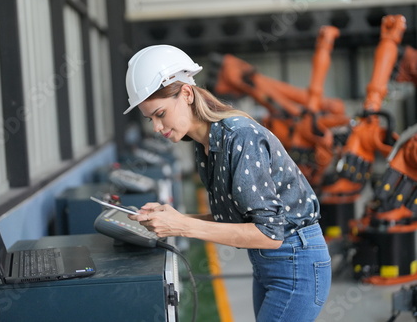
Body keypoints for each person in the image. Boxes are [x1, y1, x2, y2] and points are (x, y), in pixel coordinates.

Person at [124, 44, 331, 322]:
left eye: (160, 114)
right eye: (150, 119)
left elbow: (270, 234)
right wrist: (172, 218)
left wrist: (182, 226)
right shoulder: (205, 143)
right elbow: (233, 216)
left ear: (186, 93)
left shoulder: (239, 137)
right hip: (270, 265)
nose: (156, 128)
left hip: (297, 264)